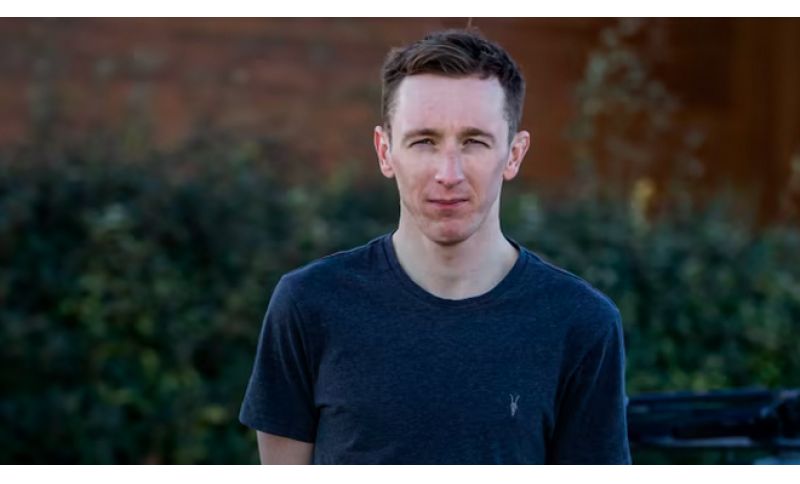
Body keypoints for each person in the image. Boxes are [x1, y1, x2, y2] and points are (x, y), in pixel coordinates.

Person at [239, 28, 631, 464]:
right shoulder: (309, 305)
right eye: (424, 141)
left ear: (514, 154)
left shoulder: (580, 323)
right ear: (385, 151)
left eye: (474, 141)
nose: (449, 174)